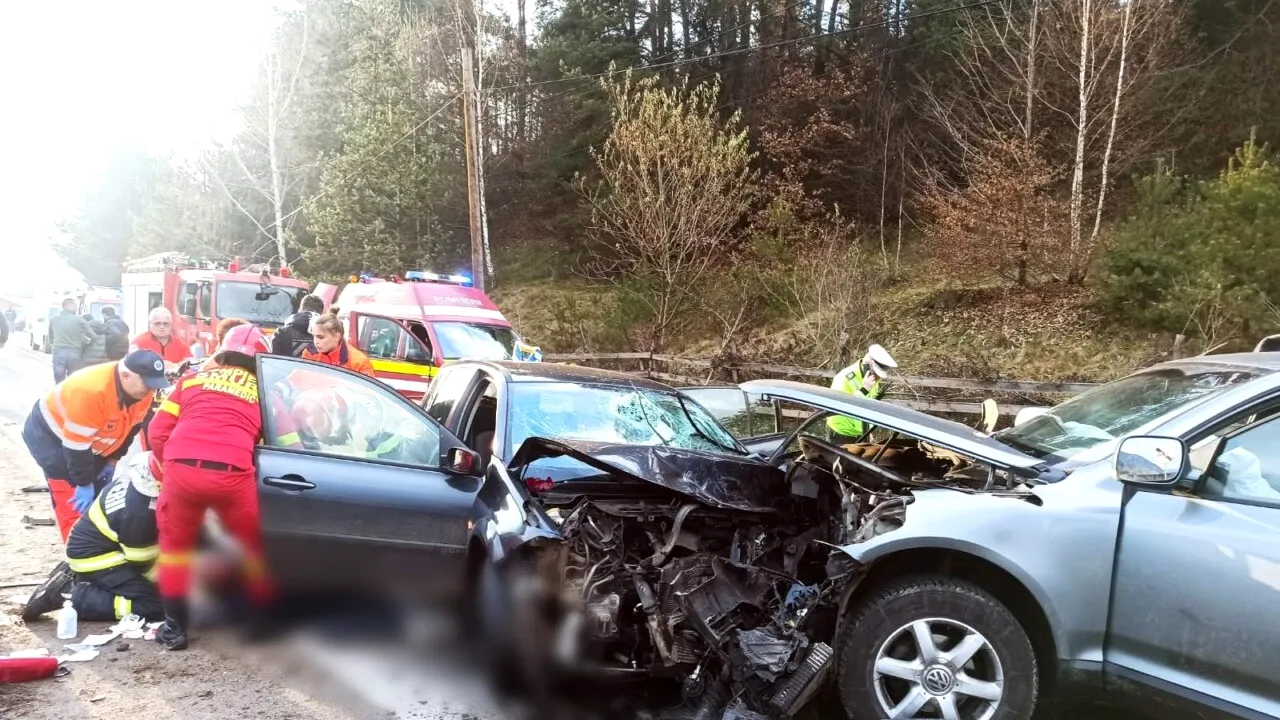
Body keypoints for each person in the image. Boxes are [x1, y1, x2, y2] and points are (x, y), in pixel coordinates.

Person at [147, 324, 274, 650]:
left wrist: (172, 469)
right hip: (233, 474)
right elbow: (283, 440)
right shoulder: (266, 392)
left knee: (175, 551)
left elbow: (158, 431)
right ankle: (259, 627)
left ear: (221, 351)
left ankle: (175, 630)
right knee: (252, 549)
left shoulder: (190, 381)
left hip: (182, 470)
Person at [21, 350, 171, 542]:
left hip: (89, 439)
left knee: (98, 499)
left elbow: (130, 429)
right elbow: (76, 447)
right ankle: (75, 549)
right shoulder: (91, 391)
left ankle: (95, 539)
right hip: (50, 436)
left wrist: (112, 460)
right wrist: (83, 483)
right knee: (72, 498)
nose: (151, 391)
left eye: (154, 385)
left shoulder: (142, 393)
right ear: (126, 376)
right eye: (147, 384)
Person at [21, 452, 164, 622]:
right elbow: (143, 564)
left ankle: (84, 580)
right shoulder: (140, 513)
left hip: (103, 544)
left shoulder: (138, 482)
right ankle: (74, 596)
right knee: (158, 605)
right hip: (98, 558)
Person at [827, 344, 898, 444]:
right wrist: (864, 389)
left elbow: (869, 406)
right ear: (866, 365)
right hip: (841, 434)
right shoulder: (843, 378)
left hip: (861, 434)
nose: (878, 378)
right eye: (876, 374)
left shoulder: (872, 379)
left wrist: (869, 431)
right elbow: (841, 407)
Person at [301, 313, 374, 376]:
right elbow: (299, 383)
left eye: (320, 337)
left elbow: (366, 391)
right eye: (314, 336)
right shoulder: (309, 353)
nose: (315, 341)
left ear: (337, 336)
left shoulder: (359, 362)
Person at [49, 298, 92, 382]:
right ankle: (69, 392)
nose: (76, 308)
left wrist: (54, 344)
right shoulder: (79, 320)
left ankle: (60, 392)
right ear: (70, 307)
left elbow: (51, 335)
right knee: (73, 377)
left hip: (59, 350)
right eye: (76, 306)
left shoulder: (54, 320)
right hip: (74, 351)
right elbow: (88, 335)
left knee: (59, 375)